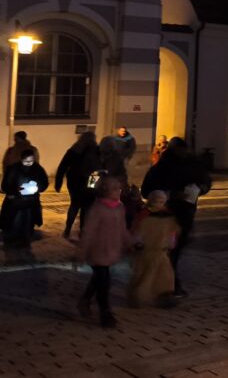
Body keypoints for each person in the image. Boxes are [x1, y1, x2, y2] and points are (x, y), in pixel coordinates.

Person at [141, 137, 211, 298]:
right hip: (166, 217)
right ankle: (167, 286)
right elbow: (147, 190)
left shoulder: (192, 165)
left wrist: (201, 188)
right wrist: (171, 194)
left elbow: (205, 180)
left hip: (184, 215)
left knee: (172, 252)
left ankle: (167, 285)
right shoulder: (163, 167)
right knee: (168, 252)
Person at [77, 176, 131, 328]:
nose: (119, 191)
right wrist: (81, 251)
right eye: (115, 189)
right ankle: (105, 312)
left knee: (99, 278)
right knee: (104, 281)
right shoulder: (97, 208)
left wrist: (131, 242)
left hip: (111, 249)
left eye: (119, 188)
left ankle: (85, 300)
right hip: (97, 250)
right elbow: (88, 232)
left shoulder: (119, 207)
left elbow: (123, 228)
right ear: (105, 190)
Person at [128, 190, 179, 308]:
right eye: (157, 201)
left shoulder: (166, 214)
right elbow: (138, 230)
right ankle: (138, 297)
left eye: (162, 201)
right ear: (151, 201)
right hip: (147, 250)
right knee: (145, 275)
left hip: (161, 250)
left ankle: (164, 297)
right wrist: (137, 243)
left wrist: (171, 242)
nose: (159, 204)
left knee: (166, 275)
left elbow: (171, 231)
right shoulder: (144, 214)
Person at [55, 131, 101, 238]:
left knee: (75, 204)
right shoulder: (97, 150)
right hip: (92, 178)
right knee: (87, 205)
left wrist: (58, 182)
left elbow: (63, 166)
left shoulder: (74, 150)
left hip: (74, 180)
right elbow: (102, 166)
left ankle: (68, 228)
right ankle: (83, 230)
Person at [1, 148, 49, 247]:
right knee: (14, 221)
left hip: (31, 201)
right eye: (26, 161)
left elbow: (44, 182)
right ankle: (12, 240)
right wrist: (16, 190)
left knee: (28, 222)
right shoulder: (13, 169)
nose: (29, 163)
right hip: (16, 200)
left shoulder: (38, 169)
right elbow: (5, 185)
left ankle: (26, 238)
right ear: (21, 159)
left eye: (31, 161)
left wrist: (37, 188)